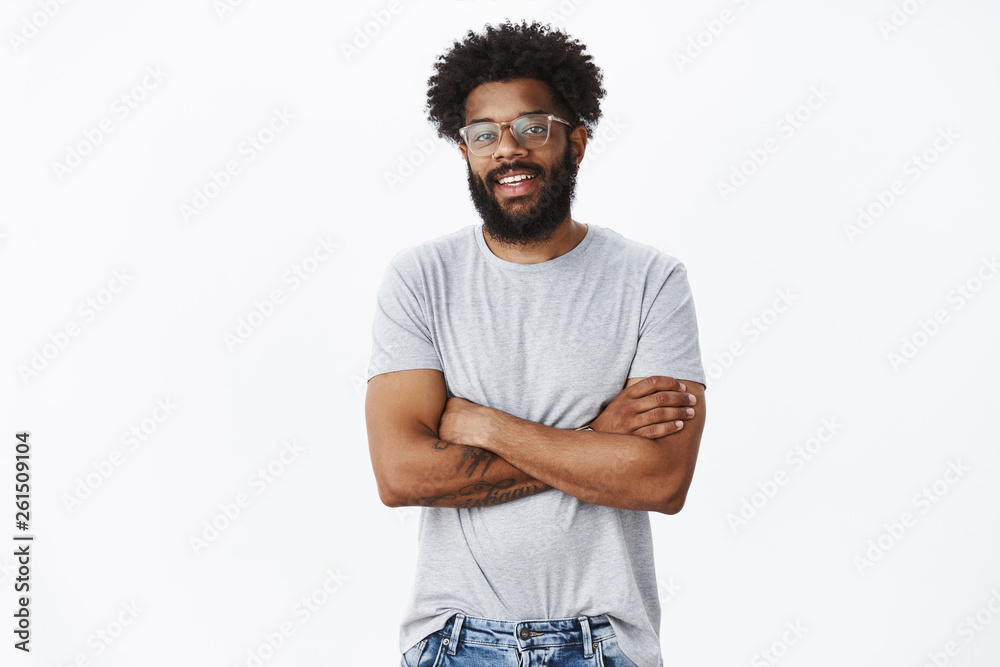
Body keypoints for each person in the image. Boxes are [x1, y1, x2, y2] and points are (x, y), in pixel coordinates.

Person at [364, 19, 708, 667]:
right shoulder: (420, 279)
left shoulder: (651, 280)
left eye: (532, 127)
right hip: (454, 639)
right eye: (484, 134)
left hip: (605, 641)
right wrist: (597, 437)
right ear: (464, 151)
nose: (507, 150)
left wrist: (486, 426)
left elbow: (661, 479)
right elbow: (401, 473)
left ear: (576, 141)